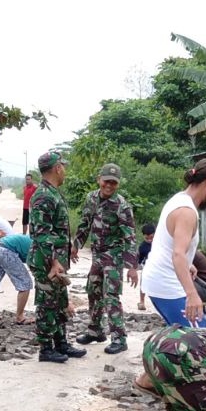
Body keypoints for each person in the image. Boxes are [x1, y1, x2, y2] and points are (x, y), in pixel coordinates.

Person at [138, 158, 206, 328]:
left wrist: (187, 264)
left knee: (186, 339)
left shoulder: (179, 199)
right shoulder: (186, 212)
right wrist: (192, 294)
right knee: (202, 341)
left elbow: (166, 242)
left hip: (157, 281)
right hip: (167, 285)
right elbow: (177, 254)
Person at [75, 163, 138, 355]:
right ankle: (95, 331)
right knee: (93, 290)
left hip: (114, 255)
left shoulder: (122, 206)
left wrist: (132, 266)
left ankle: (119, 338)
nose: (109, 186)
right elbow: (85, 222)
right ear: (99, 180)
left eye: (114, 183)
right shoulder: (91, 198)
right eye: (106, 181)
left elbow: (130, 236)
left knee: (111, 295)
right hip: (97, 254)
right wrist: (75, 246)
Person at [28, 149, 84, 364]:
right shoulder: (43, 195)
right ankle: (45, 348)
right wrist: (53, 262)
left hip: (57, 260)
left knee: (60, 300)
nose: (65, 171)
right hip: (46, 261)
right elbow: (41, 234)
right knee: (46, 302)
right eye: (64, 167)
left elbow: (57, 230)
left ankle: (61, 343)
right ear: (57, 168)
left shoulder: (52, 192)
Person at [0, 220, 33, 323]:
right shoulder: (39, 247)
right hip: (7, 250)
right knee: (26, 284)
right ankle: (20, 317)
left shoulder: (32, 239)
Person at [136, 222, 155, 311]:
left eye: (151, 237)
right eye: (147, 238)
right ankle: (142, 301)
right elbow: (139, 260)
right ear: (143, 236)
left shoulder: (159, 243)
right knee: (143, 283)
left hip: (159, 267)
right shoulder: (142, 247)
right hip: (147, 267)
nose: (149, 240)